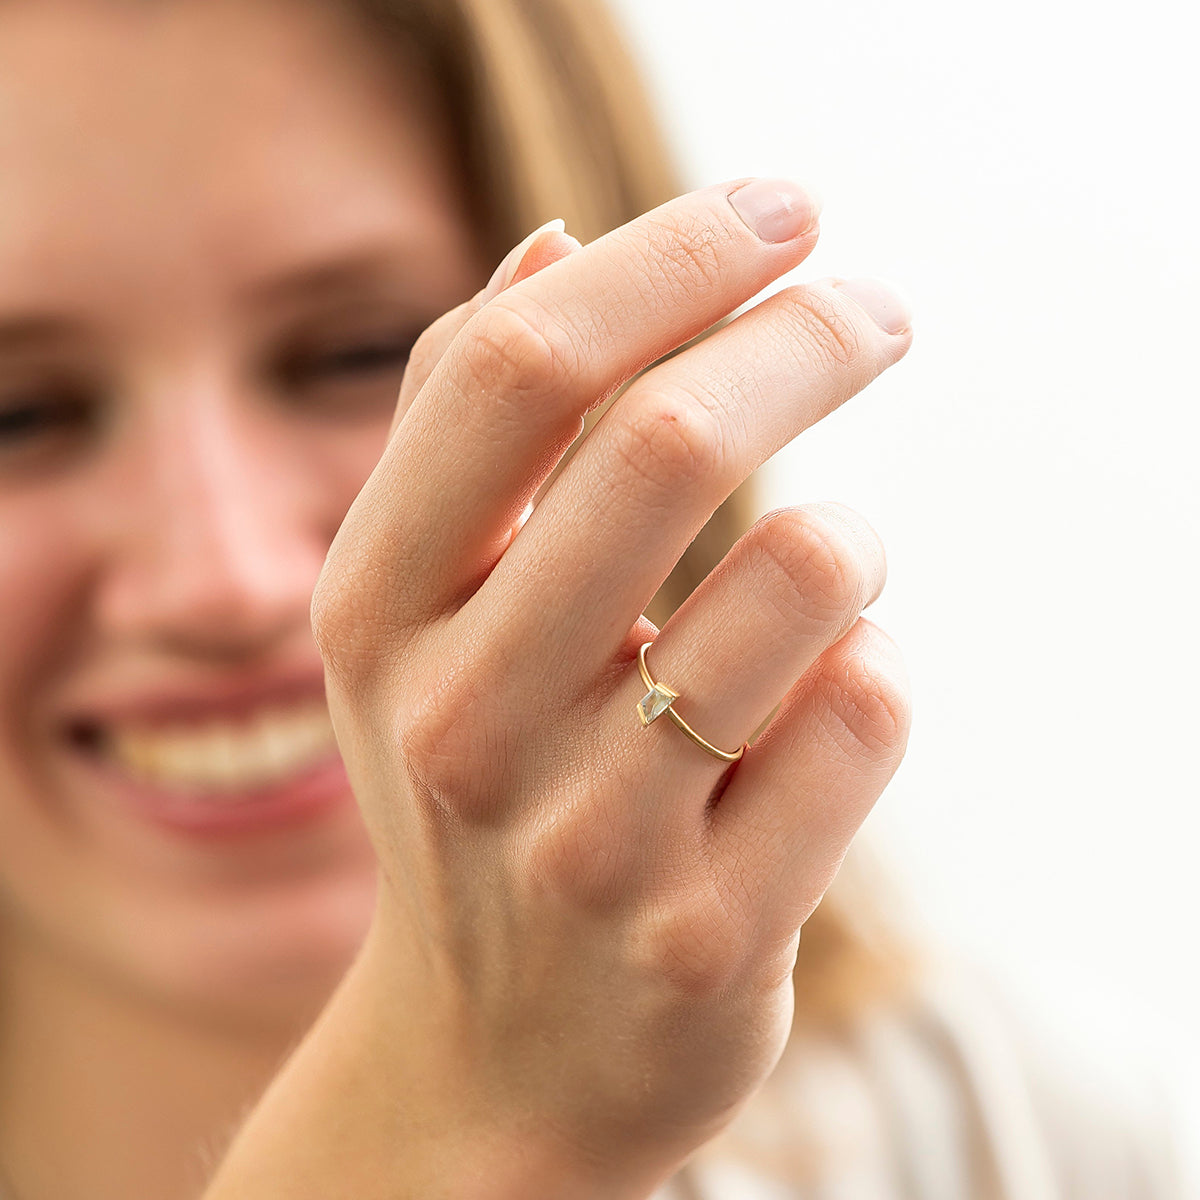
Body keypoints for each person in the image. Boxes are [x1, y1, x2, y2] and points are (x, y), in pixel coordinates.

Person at [0, 0, 1184, 1197]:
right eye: (20, 416)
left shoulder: (1017, 1143)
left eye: (354, 353)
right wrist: (455, 1113)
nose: (226, 581)